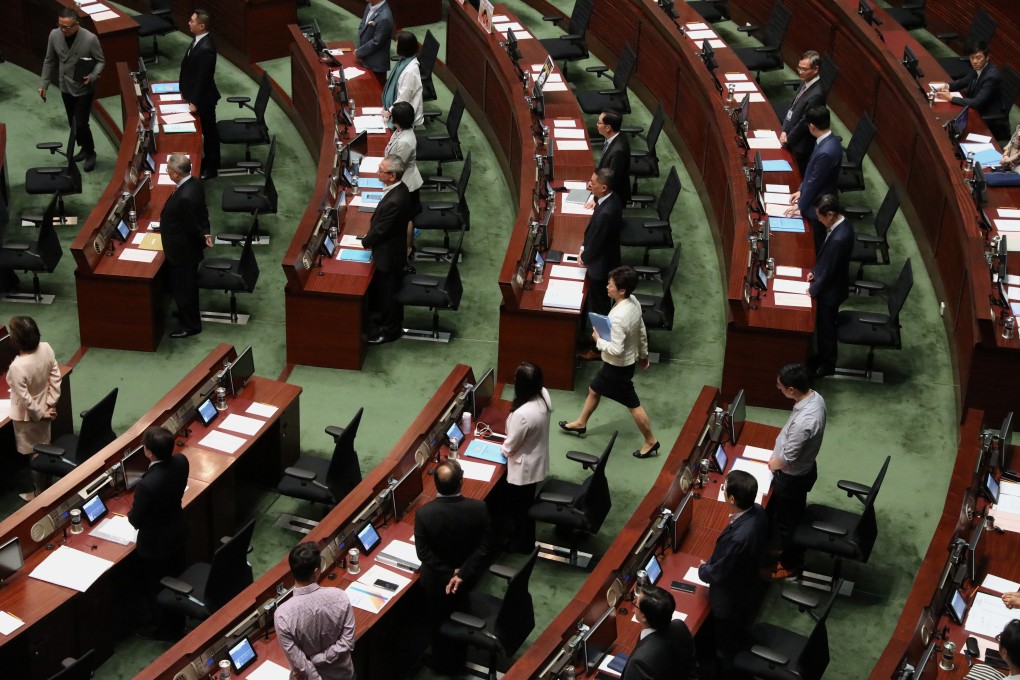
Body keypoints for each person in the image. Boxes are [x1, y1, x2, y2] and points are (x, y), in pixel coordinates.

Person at [559, 266, 659, 459]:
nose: (607, 287)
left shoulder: (619, 317)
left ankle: (651, 441)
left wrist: (598, 340)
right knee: (594, 389)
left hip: (617, 367)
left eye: (611, 285)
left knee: (633, 405)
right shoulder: (634, 302)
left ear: (622, 290)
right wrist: (644, 354)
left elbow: (616, 349)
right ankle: (581, 422)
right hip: (622, 364)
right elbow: (641, 330)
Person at [414, 459, 495, 675]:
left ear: (435, 485)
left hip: (436, 581)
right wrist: (461, 574)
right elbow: (484, 547)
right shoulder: (479, 508)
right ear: (462, 482)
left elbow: (423, 554)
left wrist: (449, 573)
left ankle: (441, 663)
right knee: (461, 607)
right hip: (468, 577)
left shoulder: (424, 514)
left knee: (437, 620)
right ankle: (460, 653)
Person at [697, 469, 768, 667]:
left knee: (726, 648)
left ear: (731, 498)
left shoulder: (739, 537)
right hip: (748, 584)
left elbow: (719, 573)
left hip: (730, 599)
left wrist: (703, 570)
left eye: (724, 488)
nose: (722, 490)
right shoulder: (758, 511)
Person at [764, 363, 826, 579]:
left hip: (791, 478)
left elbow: (789, 458)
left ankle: (790, 564)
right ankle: (785, 550)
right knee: (791, 515)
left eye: (780, 386)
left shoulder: (804, 422)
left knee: (787, 523)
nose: (777, 388)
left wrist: (773, 465)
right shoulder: (814, 397)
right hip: (803, 471)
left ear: (792, 390)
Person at [128, 426, 189, 639]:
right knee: (176, 575)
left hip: (155, 544)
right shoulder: (182, 461)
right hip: (177, 531)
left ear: (149, 452)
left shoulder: (147, 485)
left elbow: (135, 519)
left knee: (156, 586)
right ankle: (179, 618)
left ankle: (160, 629)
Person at [274, 542, 356, 680]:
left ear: (292, 572)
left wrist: (314, 660)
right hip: (345, 675)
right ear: (317, 571)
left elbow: (300, 665)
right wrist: (321, 658)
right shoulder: (340, 597)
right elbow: (347, 642)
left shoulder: (282, 615)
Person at [492, 361, 551, 552]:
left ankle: (522, 543)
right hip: (537, 458)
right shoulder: (543, 394)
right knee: (524, 503)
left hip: (523, 467)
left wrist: (502, 450)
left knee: (521, 507)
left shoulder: (522, 415)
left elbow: (510, 446)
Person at [38, 8, 105, 172]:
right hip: (65, 85)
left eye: (66, 27)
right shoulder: (54, 35)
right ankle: (83, 148)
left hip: (83, 86)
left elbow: (100, 61)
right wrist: (44, 84)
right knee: (73, 123)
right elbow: (49, 60)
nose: (63, 29)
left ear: (76, 24)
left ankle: (90, 153)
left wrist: (93, 76)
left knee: (81, 123)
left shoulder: (90, 39)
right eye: (60, 25)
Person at [361, 154, 415, 345]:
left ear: (392, 176)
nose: (378, 172)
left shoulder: (395, 200)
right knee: (383, 291)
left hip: (390, 254)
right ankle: (379, 318)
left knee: (390, 294)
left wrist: (364, 241)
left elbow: (381, 230)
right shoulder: (399, 188)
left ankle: (391, 331)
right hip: (392, 248)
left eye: (381, 170)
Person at [6, 316, 61, 501]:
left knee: (34, 454)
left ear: (15, 341)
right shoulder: (46, 347)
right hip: (46, 407)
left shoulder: (17, 366)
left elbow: (25, 399)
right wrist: (50, 404)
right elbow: (55, 376)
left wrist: (40, 413)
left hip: (28, 418)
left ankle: (39, 494)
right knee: (46, 446)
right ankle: (47, 487)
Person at [161, 153, 212, 338]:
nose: (167, 172)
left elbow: (192, 227)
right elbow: (202, 212)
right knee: (183, 287)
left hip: (183, 253)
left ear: (175, 173)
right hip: (184, 249)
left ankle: (191, 326)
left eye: (168, 170)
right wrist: (206, 232)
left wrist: (201, 240)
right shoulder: (195, 183)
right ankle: (185, 314)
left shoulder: (185, 197)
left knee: (185, 289)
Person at [578, 167, 623, 361]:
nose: (589, 184)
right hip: (607, 259)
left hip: (601, 267)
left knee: (599, 309)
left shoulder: (606, 213)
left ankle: (599, 350)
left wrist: (584, 256)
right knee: (595, 305)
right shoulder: (611, 199)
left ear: (603, 187)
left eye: (593, 183)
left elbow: (597, 242)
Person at [784, 107, 842, 255]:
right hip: (813, 196)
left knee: (814, 243)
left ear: (811, 126)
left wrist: (801, 206)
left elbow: (815, 182)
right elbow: (811, 173)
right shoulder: (826, 140)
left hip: (818, 205)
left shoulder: (827, 152)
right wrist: (800, 190)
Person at [807, 194, 854, 377]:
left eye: (820, 216)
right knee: (824, 327)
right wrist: (816, 271)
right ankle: (821, 356)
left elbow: (830, 271)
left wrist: (812, 290)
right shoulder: (842, 224)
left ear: (831, 214)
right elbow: (827, 260)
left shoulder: (839, 238)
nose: (818, 219)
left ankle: (828, 364)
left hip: (831, 292)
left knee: (827, 329)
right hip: (834, 285)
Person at [179, 10, 221, 180]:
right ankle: (207, 161)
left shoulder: (207, 48)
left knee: (209, 133)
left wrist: (195, 101)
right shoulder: (199, 41)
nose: (189, 22)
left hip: (204, 99)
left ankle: (212, 167)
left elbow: (204, 78)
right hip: (194, 94)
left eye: (192, 21)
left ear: (201, 26)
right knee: (206, 131)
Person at [622, 586, 698, 680]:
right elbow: (692, 669)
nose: (633, 605)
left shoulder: (640, 662)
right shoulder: (679, 626)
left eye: (636, 604)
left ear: (644, 617)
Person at [384, 102, 424, 257]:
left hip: (407, 186)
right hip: (403, 182)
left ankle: (407, 251)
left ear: (396, 120)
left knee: (406, 219)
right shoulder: (401, 132)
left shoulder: (405, 141)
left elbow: (396, 165)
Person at [780, 50, 826, 175]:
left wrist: (788, 138)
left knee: (795, 177)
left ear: (815, 69)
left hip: (800, 146)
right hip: (790, 137)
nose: (800, 72)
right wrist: (784, 129)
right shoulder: (805, 82)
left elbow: (805, 122)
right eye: (799, 68)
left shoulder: (817, 94)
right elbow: (792, 107)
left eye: (804, 69)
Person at [936, 41, 1003, 122]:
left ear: (987, 57)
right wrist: (947, 86)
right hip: (975, 107)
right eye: (972, 58)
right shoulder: (979, 67)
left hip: (986, 116)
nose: (974, 62)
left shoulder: (991, 77)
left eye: (978, 58)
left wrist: (950, 98)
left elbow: (977, 103)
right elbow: (964, 81)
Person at [382, 32, 424, 129]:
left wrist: (389, 112)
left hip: (404, 117)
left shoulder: (410, 71)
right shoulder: (404, 60)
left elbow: (404, 99)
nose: (396, 43)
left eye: (398, 42)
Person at [592, 110, 631, 205]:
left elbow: (612, 181)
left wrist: (596, 199)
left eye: (599, 122)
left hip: (613, 199)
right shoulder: (615, 137)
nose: (597, 124)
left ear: (608, 127)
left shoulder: (618, 152)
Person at [356, 0, 394, 87]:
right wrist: (359, 50)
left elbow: (377, 42)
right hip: (364, 58)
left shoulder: (385, 17)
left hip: (375, 67)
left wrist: (359, 52)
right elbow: (362, 26)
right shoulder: (369, 6)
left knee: (375, 95)